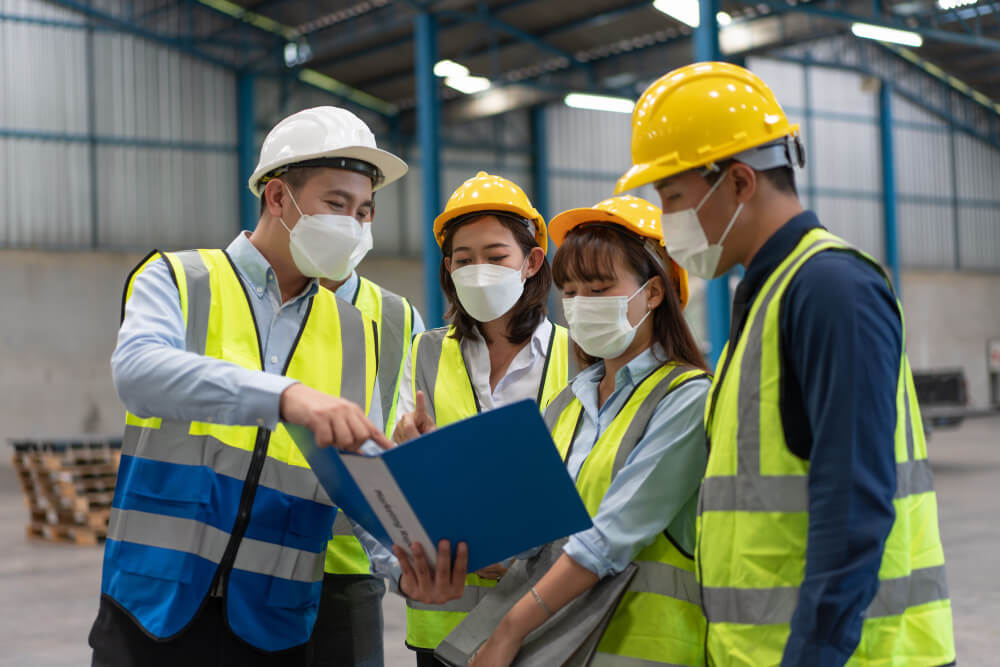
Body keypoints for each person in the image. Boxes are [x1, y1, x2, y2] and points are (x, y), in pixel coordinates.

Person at [89, 106, 466, 667]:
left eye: (364, 211)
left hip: (273, 623)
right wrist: (284, 395)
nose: (353, 225)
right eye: (336, 204)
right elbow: (139, 372)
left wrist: (405, 567)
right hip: (151, 605)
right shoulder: (180, 278)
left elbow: (357, 478)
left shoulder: (356, 331)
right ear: (277, 198)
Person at [615, 62, 956, 666]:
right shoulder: (769, 297)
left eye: (671, 196)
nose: (666, 221)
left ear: (740, 182)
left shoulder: (830, 289)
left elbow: (854, 505)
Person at [468, 195, 711, 667]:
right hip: (562, 646)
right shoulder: (568, 403)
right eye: (572, 291)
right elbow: (536, 530)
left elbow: (611, 535)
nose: (580, 305)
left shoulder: (687, 398)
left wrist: (510, 629)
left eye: (598, 289)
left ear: (654, 293)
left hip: (644, 648)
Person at [392, 171, 570, 665]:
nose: (478, 271)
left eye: (496, 257)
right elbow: (400, 477)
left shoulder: (576, 357)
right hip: (443, 623)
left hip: (547, 618)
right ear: (447, 269)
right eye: (463, 260)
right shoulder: (425, 351)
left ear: (532, 261)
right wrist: (406, 450)